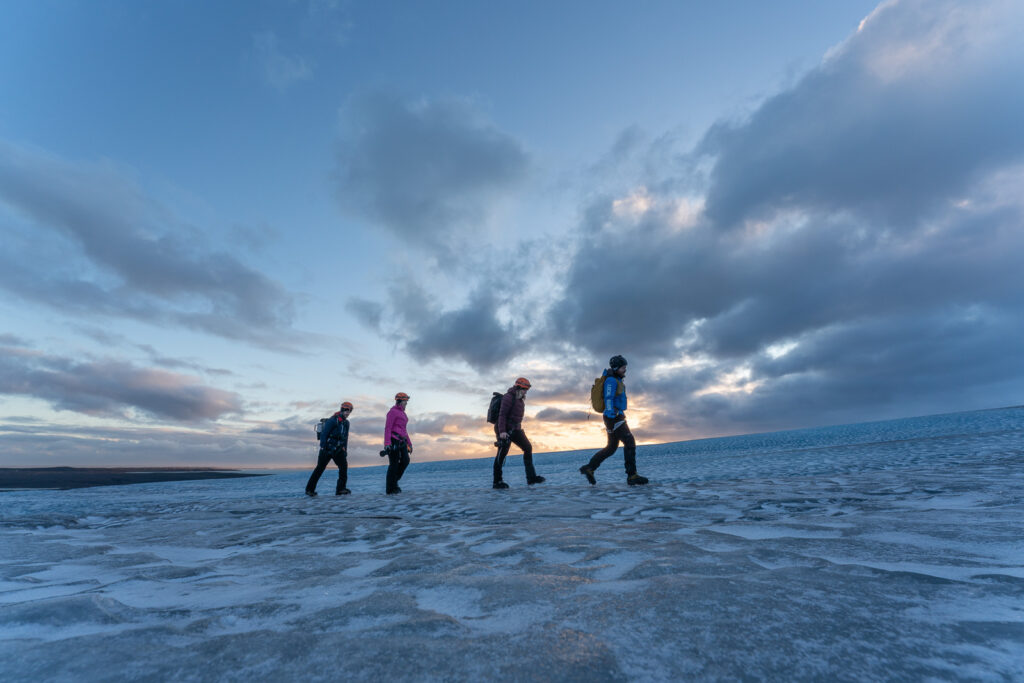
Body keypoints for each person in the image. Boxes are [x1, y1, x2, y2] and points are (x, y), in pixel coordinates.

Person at [579, 356, 649, 486]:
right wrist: (612, 415)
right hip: (614, 416)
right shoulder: (611, 381)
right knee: (629, 442)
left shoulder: (616, 379)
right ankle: (632, 475)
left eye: (625, 367)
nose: (625, 370)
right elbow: (608, 398)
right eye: (623, 368)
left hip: (614, 416)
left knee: (611, 447)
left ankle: (590, 468)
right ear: (616, 368)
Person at [493, 377, 545, 489]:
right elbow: (502, 415)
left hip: (515, 429)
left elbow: (516, 418)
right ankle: (497, 482)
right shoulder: (508, 397)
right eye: (524, 389)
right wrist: (502, 431)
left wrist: (518, 429)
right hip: (504, 429)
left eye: (527, 390)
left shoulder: (520, 399)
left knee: (527, 447)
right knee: (501, 455)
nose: (526, 392)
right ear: (518, 387)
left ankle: (531, 478)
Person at [306, 402, 353, 496]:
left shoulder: (346, 423)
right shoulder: (332, 420)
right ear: (342, 410)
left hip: (338, 449)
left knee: (343, 467)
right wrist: (323, 447)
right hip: (327, 449)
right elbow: (324, 434)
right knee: (320, 468)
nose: (347, 413)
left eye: (349, 411)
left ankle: (341, 489)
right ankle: (309, 490)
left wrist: (345, 450)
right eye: (346, 410)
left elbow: (345, 437)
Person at [383, 392, 413, 494]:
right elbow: (388, 428)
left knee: (405, 460)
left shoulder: (403, 413)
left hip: (403, 441)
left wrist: (409, 443)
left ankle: (394, 482)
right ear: (400, 401)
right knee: (394, 464)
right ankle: (390, 489)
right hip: (393, 440)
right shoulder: (392, 412)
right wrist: (387, 443)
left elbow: (404, 430)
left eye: (406, 401)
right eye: (405, 401)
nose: (406, 403)